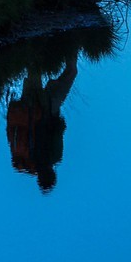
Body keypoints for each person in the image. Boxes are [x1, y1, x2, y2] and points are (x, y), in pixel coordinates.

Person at [6, 50, 79, 192]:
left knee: (71, 71)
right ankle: (35, 43)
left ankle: (73, 40)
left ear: (52, 174)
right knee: (34, 68)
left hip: (46, 108)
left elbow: (59, 129)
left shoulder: (54, 157)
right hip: (27, 109)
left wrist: (59, 124)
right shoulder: (24, 161)